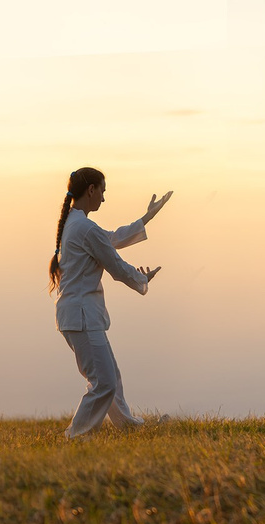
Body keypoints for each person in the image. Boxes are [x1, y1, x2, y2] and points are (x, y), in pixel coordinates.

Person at [50, 167, 173, 438]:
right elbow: (115, 264)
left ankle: (129, 427)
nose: (104, 199)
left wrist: (147, 217)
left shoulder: (77, 224)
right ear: (91, 190)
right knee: (103, 382)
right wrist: (142, 280)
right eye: (102, 191)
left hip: (80, 317)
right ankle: (76, 436)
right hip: (81, 318)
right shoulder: (83, 228)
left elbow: (112, 239)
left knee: (111, 377)